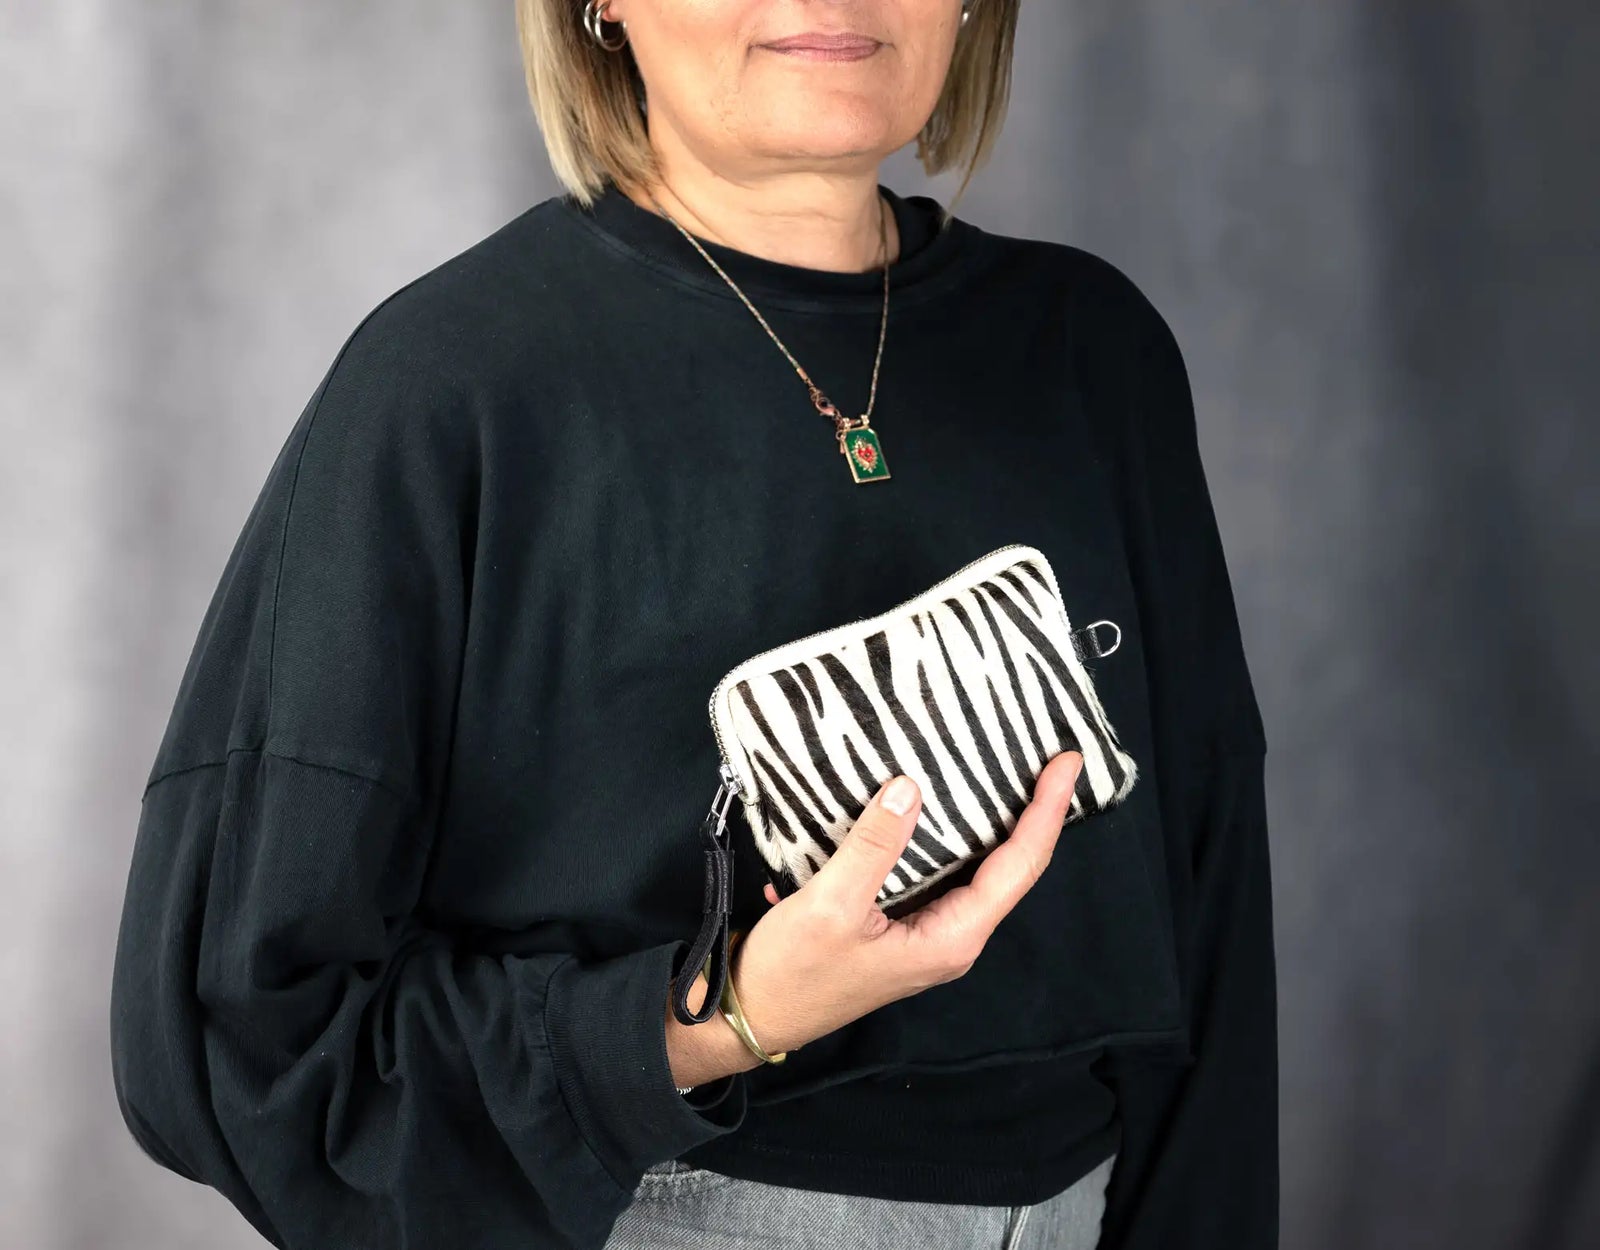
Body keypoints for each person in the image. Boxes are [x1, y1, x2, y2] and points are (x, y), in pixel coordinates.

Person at [108, 1, 1277, 1247]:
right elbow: (244, 1038)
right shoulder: (452, 384)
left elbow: (1207, 904)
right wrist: (714, 1021)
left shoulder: (1094, 354)